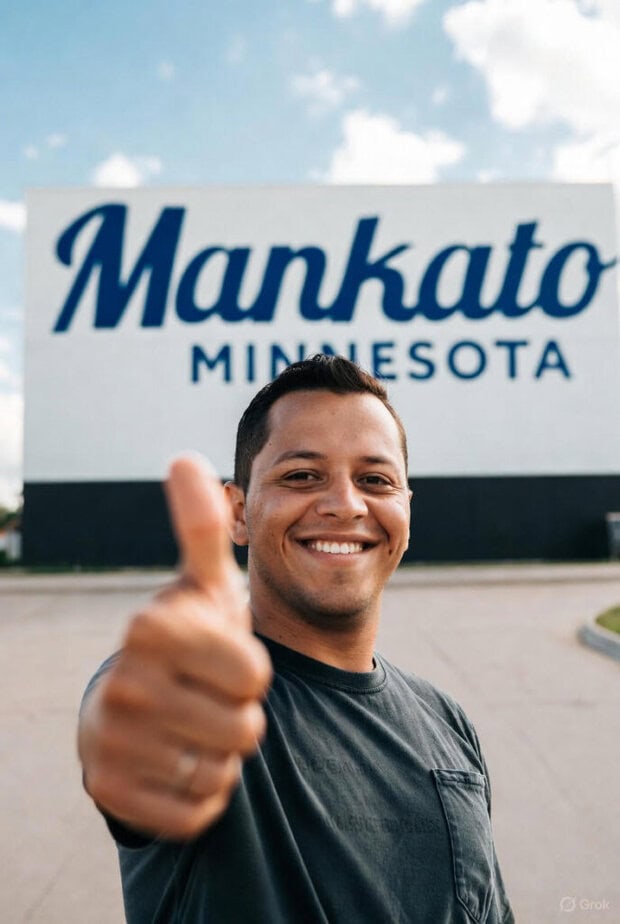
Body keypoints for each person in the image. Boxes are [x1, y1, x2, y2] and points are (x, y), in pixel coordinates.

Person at [78, 354, 514, 923]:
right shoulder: (202, 693)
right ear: (238, 512)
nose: (345, 504)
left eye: (375, 480)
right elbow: (138, 739)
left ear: (406, 509)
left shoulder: (447, 723)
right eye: (302, 476)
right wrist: (139, 743)